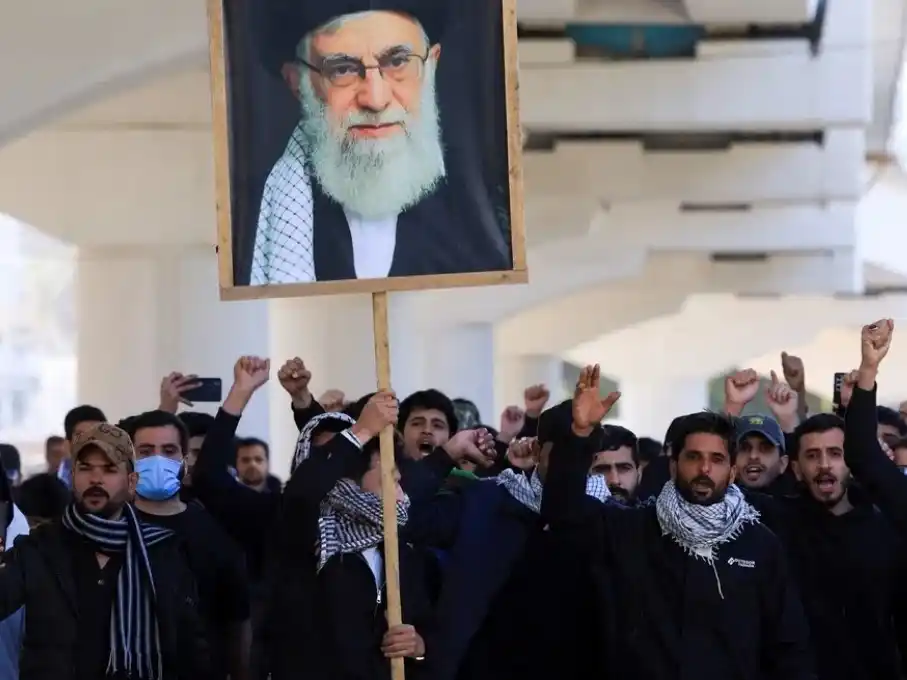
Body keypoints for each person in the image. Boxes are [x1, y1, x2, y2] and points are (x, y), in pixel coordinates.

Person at [543, 365, 813, 680]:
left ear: (732, 472)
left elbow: (789, 648)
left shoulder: (759, 545)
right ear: (672, 466)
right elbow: (563, 512)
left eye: (716, 460)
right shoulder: (630, 529)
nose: (704, 469)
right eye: (693, 457)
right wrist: (578, 436)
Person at [250, 3, 510, 285]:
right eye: (342, 69)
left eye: (397, 62)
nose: (375, 99)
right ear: (298, 84)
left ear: (431, 65)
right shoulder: (264, 216)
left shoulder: (487, 221)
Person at [0, 423, 207, 680]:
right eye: (85, 468)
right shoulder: (39, 548)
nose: (96, 479)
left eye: (109, 469)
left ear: (132, 482)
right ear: (73, 476)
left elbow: (190, 647)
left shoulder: (162, 550)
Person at [121, 410, 252, 680]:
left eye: (168, 450)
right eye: (146, 451)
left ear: (184, 459)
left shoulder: (214, 531)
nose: (158, 460)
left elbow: (236, 621)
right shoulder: (109, 528)